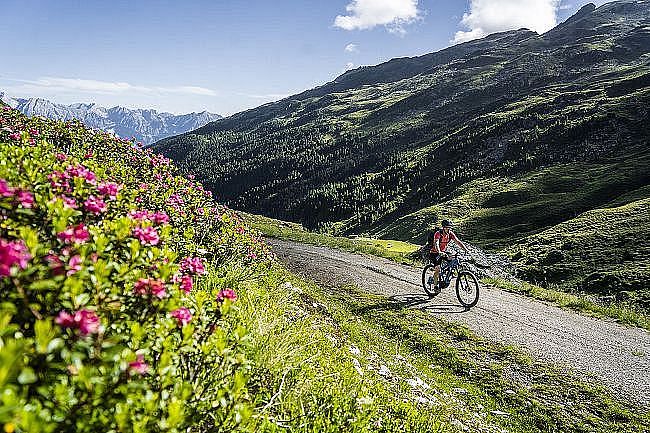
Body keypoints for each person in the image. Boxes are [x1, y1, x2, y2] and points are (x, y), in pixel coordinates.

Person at [429, 219, 468, 290]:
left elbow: (458, 241)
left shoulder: (450, 234)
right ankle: (435, 286)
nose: (448, 229)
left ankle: (447, 275)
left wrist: (465, 249)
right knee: (437, 269)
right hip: (435, 253)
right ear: (443, 227)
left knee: (453, 259)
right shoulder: (438, 233)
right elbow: (436, 243)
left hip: (443, 252)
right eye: (447, 227)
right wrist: (439, 251)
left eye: (449, 227)